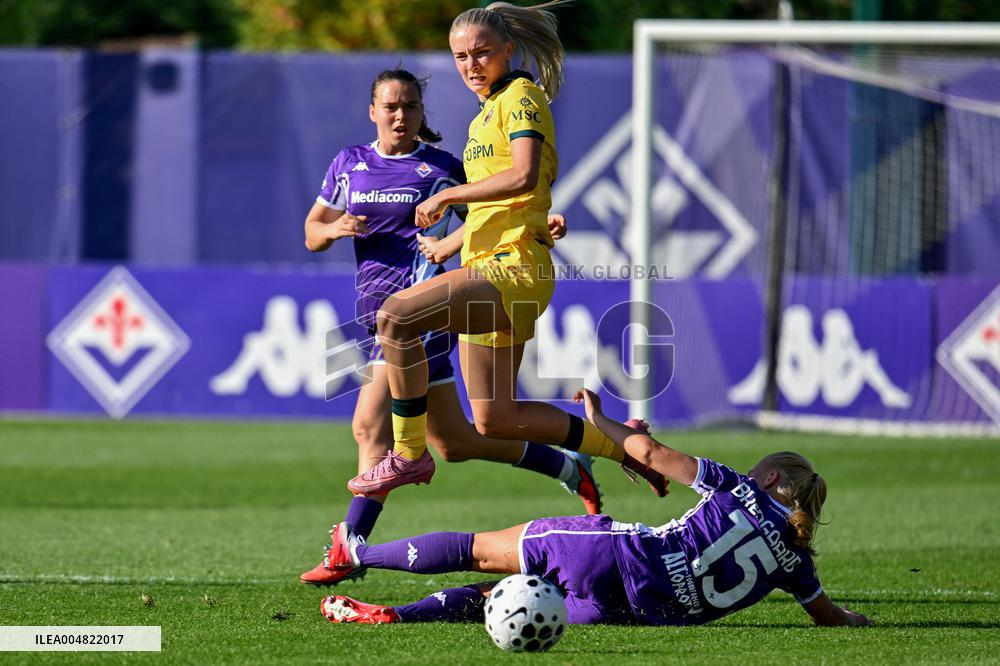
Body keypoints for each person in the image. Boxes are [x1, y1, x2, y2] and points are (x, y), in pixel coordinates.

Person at [300, 68, 615, 586]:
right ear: (372, 111)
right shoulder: (349, 164)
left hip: (420, 315)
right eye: (391, 107)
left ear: (423, 114)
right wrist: (333, 229)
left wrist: (538, 224)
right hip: (377, 312)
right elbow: (312, 231)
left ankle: (348, 545)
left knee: (369, 426)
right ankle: (567, 467)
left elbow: (500, 206)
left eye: (411, 107)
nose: (401, 116)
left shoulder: (443, 168)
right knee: (456, 442)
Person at [350, 1, 666, 499]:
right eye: (460, 57)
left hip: (511, 270)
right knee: (495, 418)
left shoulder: (521, 96)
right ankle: (624, 447)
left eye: (482, 53)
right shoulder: (484, 117)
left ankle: (408, 455)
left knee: (395, 318)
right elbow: (511, 200)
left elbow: (521, 174)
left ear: (508, 50)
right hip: (492, 261)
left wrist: (449, 194)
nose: (471, 65)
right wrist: (450, 243)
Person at [319, 388, 872, 628]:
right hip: (645, 612)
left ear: (770, 476)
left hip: (621, 556)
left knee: (481, 552)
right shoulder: (798, 558)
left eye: (759, 467)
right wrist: (857, 619)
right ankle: (396, 616)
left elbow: (652, 453)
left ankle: (358, 552)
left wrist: (601, 425)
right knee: (507, 600)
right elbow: (831, 617)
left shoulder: (740, 489)